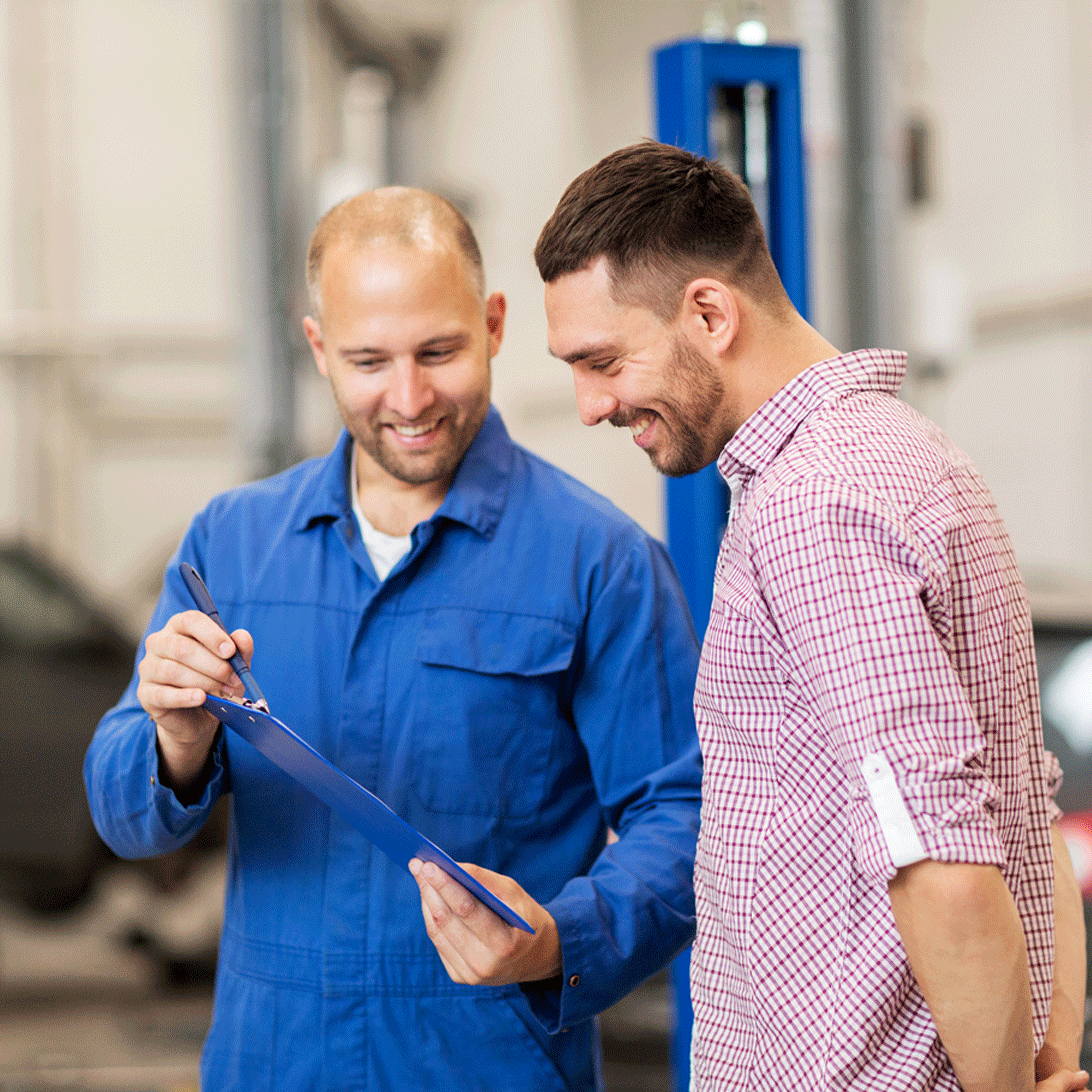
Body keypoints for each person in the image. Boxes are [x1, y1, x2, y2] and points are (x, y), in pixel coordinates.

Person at [84, 187, 703, 1090]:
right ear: (318, 350)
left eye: (439, 351)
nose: (409, 398)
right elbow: (122, 812)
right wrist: (174, 741)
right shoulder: (235, 543)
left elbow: (687, 817)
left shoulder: (596, 560)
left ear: (493, 325)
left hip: (487, 1065)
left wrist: (560, 939)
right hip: (273, 1063)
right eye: (369, 359)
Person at [533, 141, 1088, 1092]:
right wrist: (1047, 1059)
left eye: (604, 362)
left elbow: (941, 859)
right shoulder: (917, 459)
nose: (590, 405)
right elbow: (1022, 811)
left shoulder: (815, 504)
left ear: (710, 312)